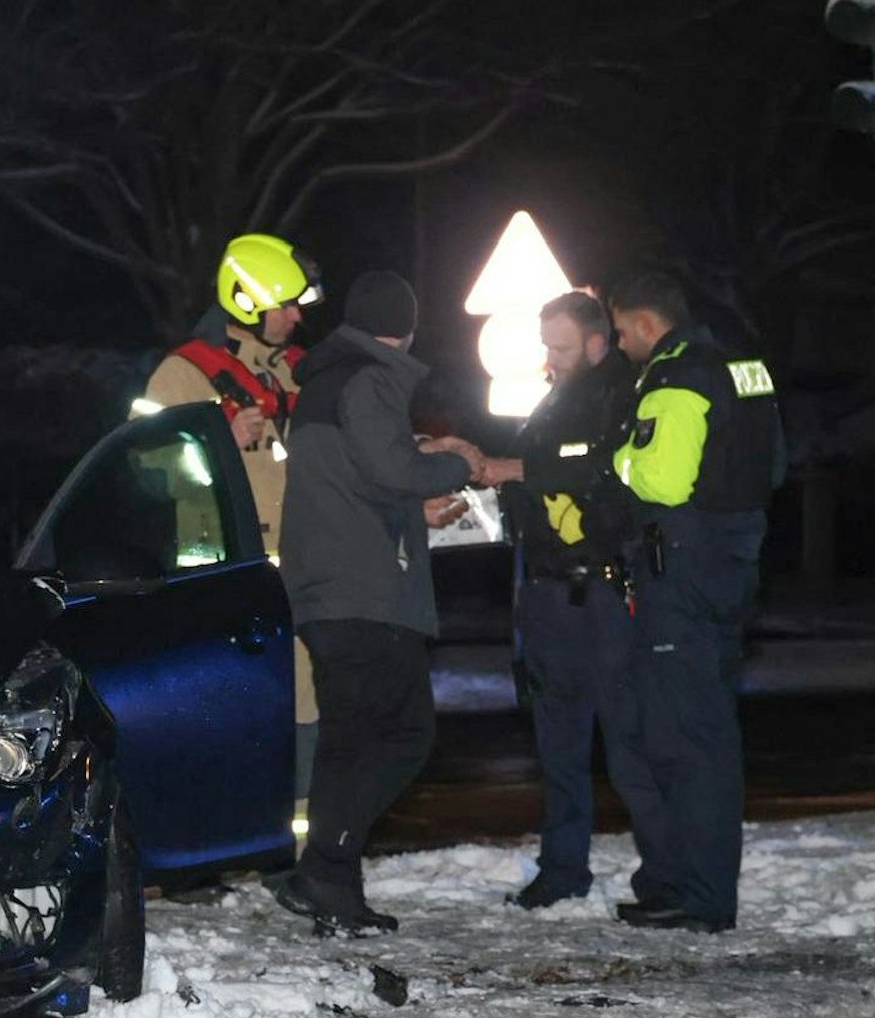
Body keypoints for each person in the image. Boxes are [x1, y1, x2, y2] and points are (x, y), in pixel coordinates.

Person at [270, 270, 483, 934]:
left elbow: (364, 480)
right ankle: (323, 864)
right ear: (407, 327)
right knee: (406, 733)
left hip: (330, 589)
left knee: (347, 741)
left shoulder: (328, 381)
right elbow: (392, 469)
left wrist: (417, 494)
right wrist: (459, 463)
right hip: (363, 594)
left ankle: (334, 887)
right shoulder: (369, 377)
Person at [602, 271, 784, 933]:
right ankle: (687, 885)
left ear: (647, 324)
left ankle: (701, 897)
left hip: (679, 574)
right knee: (694, 729)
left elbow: (661, 479)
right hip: (729, 567)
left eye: (621, 331)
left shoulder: (676, 378)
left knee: (688, 740)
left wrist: (617, 457)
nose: (620, 345)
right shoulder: (745, 369)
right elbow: (774, 467)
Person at [479, 291, 672, 909]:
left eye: (561, 347)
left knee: (627, 745)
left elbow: (598, 470)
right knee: (558, 743)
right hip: (551, 593)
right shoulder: (559, 395)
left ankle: (666, 875)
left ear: (597, 342)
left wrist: (514, 470)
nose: (550, 359)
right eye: (546, 346)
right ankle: (563, 869)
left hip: (601, 594)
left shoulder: (624, 395)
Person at [137, 232, 324, 826]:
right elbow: (148, 469)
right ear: (247, 302)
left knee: (304, 710)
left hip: (298, 572)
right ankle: (207, 844)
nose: (296, 316)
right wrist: (217, 439)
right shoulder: (183, 375)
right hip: (217, 578)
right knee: (217, 713)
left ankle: (293, 849)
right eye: (286, 304)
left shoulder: (297, 370)